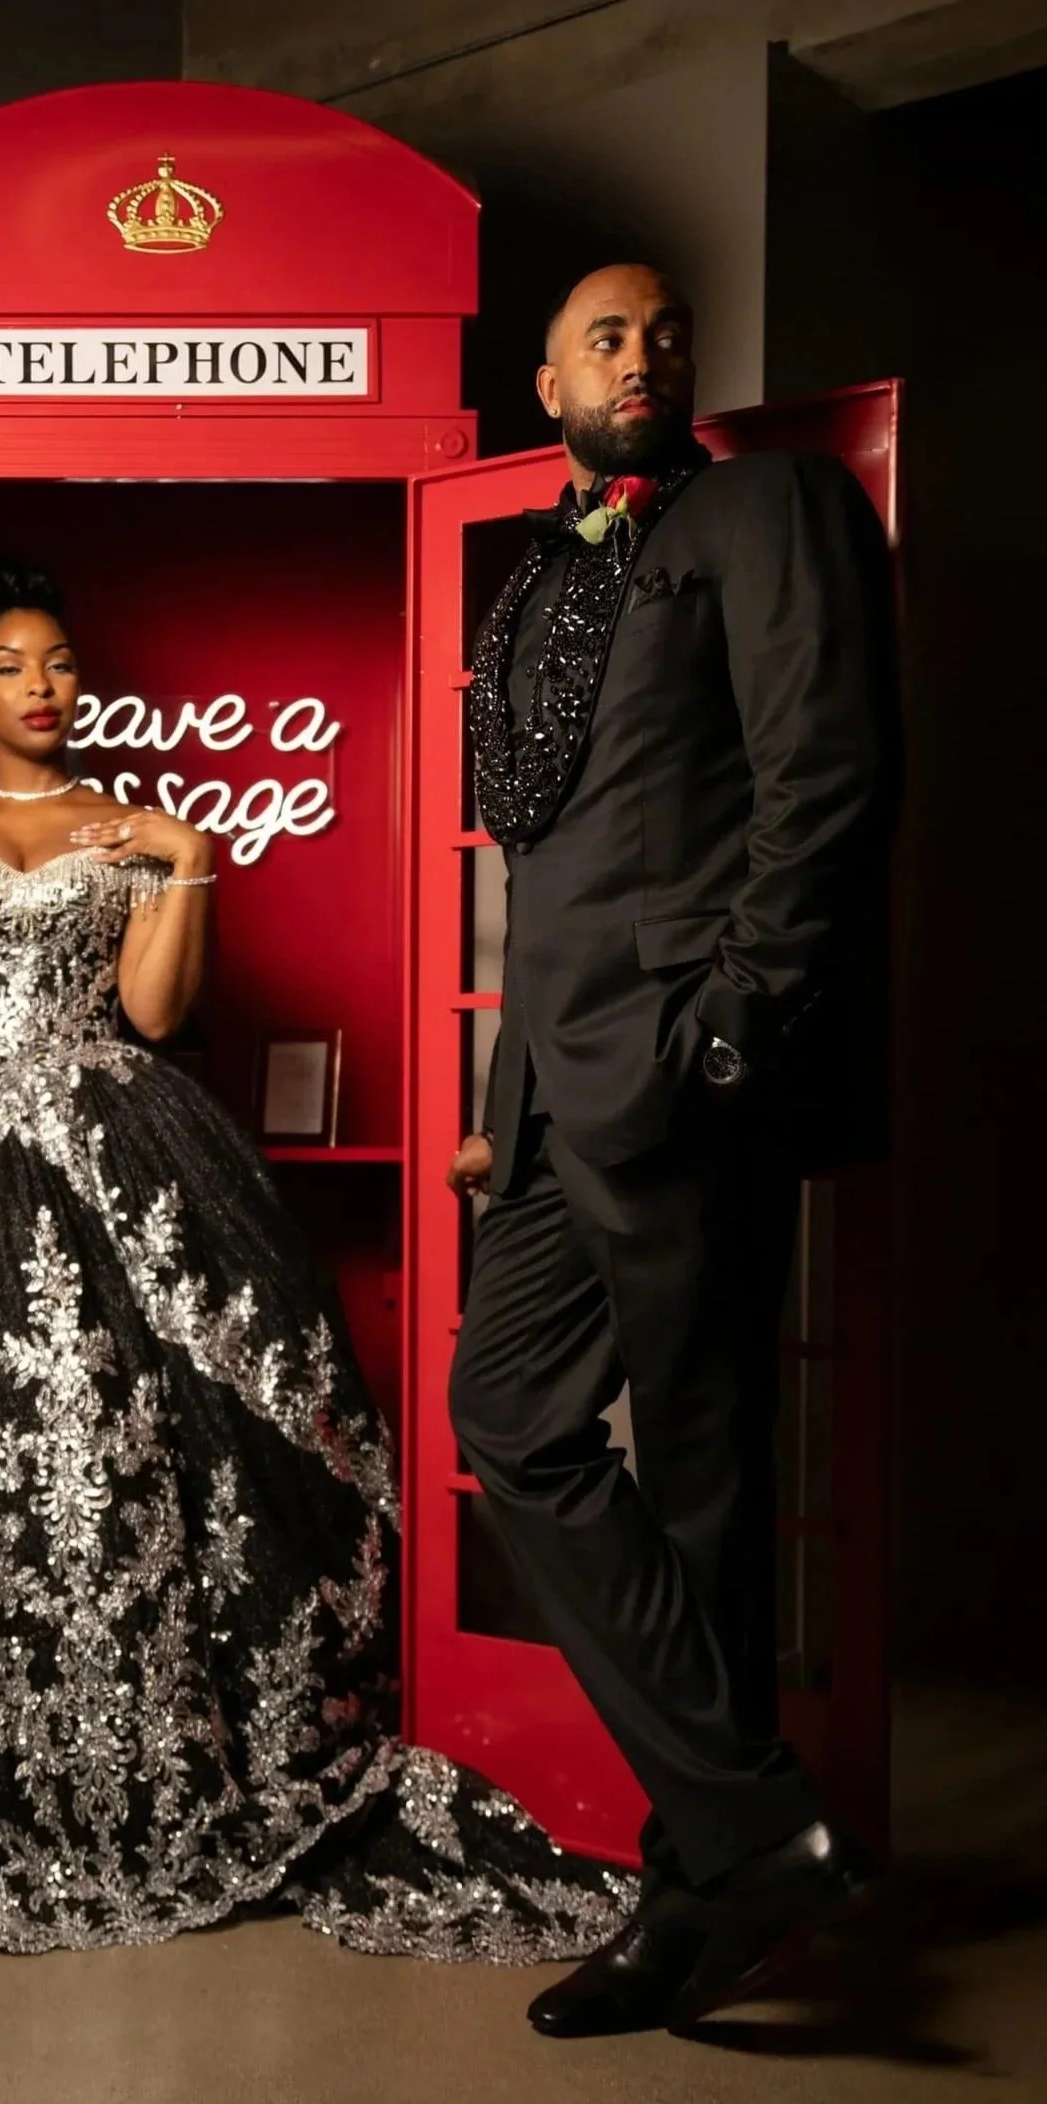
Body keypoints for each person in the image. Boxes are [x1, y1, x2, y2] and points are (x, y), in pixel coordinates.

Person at [0, 556, 637, 1961]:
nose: (44, 685)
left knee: (128, 1455)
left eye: (62, 662)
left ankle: (139, 1761)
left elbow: (148, 1010)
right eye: (13, 664)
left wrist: (187, 860)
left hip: (103, 1151)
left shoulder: (128, 825)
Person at [446, 263, 900, 2035]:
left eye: (665, 334)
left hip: (687, 1073)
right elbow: (539, 869)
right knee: (512, 1414)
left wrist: (735, 1020)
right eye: (606, 337)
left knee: (709, 1489)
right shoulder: (542, 576)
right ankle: (759, 1826)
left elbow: (832, 770)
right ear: (544, 373)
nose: (644, 358)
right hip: (556, 1090)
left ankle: (692, 1892)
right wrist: (505, 1108)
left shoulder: (762, 506)